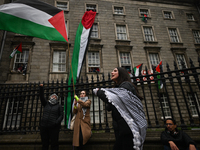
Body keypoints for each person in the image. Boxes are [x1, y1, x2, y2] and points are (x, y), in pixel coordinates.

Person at [93, 67, 147, 150]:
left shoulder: (126, 85)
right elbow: (112, 105)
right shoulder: (118, 88)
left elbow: (120, 99)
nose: (112, 72)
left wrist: (99, 92)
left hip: (128, 128)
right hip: (122, 129)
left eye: (115, 71)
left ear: (121, 74)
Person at [39, 84, 63, 150]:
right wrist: (41, 88)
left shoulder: (58, 106)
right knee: (44, 144)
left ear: (57, 99)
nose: (53, 97)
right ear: (50, 98)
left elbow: (61, 115)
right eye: (52, 96)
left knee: (54, 144)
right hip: (44, 126)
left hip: (54, 128)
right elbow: (41, 97)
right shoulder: (46, 104)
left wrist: (56, 123)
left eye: (55, 97)